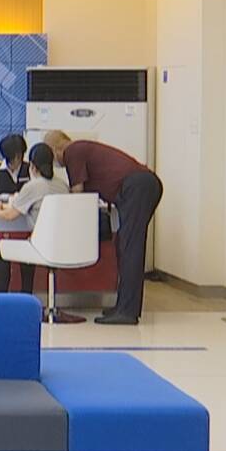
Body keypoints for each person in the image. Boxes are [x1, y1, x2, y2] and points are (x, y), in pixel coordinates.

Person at [46, 130, 161, 325]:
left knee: (130, 248)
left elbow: (78, 192)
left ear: (56, 149)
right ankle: (123, 306)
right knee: (124, 246)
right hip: (140, 187)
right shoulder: (83, 149)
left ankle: (127, 312)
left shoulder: (73, 151)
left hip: (137, 187)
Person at [0, 142, 70, 298]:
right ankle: (27, 295)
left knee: (3, 249)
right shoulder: (63, 186)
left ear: (32, 166)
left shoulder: (32, 186)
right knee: (27, 247)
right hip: (62, 244)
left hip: (41, 245)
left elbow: (9, 216)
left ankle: (0, 299)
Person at [0, 134, 36, 294]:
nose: (18, 159)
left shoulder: (31, 170)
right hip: (4, 224)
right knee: (2, 254)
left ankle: (26, 295)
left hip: (26, 225)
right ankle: (1, 297)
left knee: (27, 257)